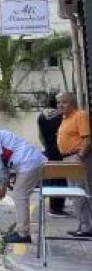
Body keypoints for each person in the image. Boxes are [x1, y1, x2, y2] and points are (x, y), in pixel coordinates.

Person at [56, 92, 92, 238]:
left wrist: (80, 157)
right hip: (68, 158)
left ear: (73, 103)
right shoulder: (65, 118)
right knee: (75, 193)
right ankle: (83, 225)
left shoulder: (80, 115)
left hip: (77, 158)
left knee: (81, 192)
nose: (60, 105)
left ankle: (86, 227)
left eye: (64, 102)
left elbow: (87, 140)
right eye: (58, 102)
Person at [38, 96, 69, 217]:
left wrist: (47, 147)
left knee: (54, 177)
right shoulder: (61, 116)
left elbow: (40, 136)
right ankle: (57, 207)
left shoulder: (41, 116)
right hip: (61, 150)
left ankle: (54, 205)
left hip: (49, 149)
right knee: (61, 178)